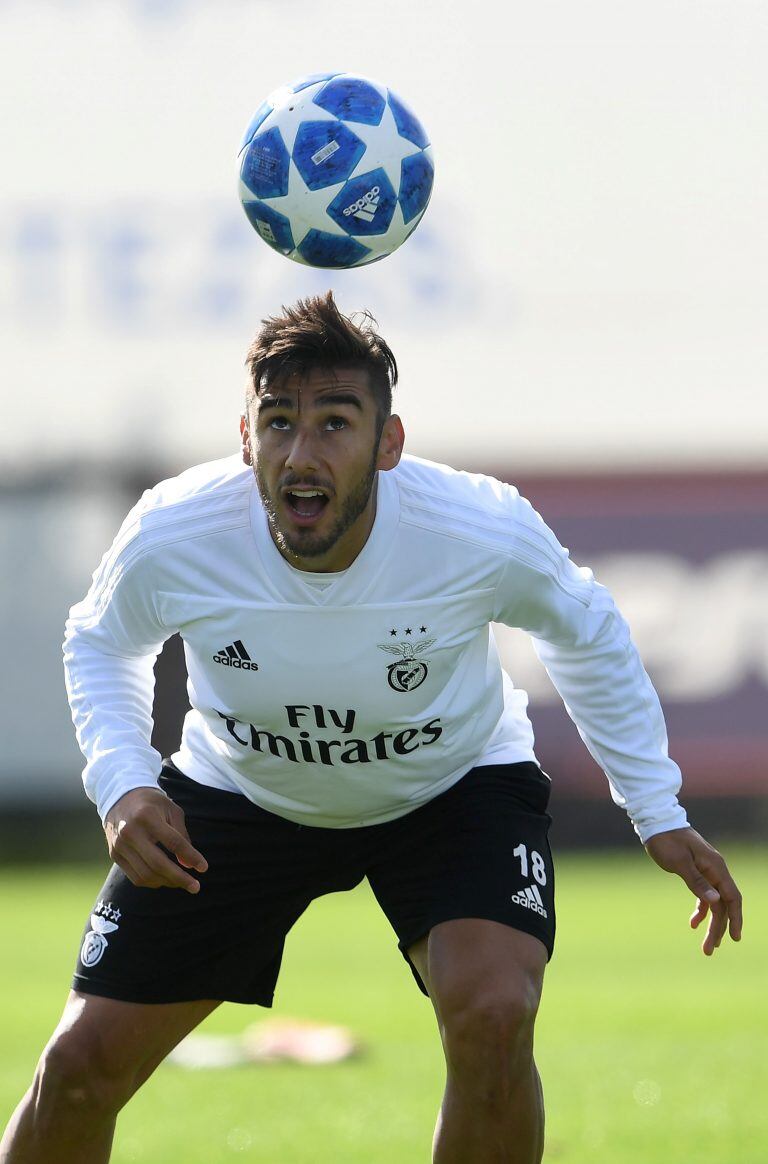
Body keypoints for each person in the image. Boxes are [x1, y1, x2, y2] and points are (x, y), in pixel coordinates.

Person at [1, 292, 742, 1164]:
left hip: (452, 788)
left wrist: (655, 808)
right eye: (277, 423)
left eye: (334, 423)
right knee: (79, 1068)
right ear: (246, 439)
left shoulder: (475, 529)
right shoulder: (178, 530)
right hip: (240, 794)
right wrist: (123, 779)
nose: (300, 453)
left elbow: (586, 628)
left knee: (495, 1016)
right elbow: (100, 639)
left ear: (388, 444)